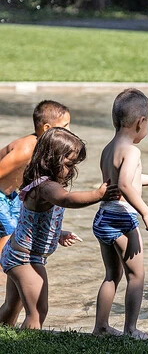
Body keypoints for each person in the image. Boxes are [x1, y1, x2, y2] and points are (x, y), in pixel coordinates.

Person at [0, 127, 118, 329]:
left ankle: (5, 333)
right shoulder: (46, 187)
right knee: (37, 311)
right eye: (69, 164)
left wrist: (58, 234)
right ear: (50, 160)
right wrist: (98, 195)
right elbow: (67, 199)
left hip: (18, 252)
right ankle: (28, 345)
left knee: (12, 305)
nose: (72, 170)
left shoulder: (41, 184)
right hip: (26, 259)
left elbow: (33, 220)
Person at [92, 89, 148, 338]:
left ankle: (100, 327)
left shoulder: (109, 149)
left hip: (104, 216)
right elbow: (126, 186)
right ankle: (130, 329)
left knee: (112, 275)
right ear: (141, 122)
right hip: (122, 218)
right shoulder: (132, 151)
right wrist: (146, 212)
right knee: (137, 276)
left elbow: (127, 179)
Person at [0, 100, 71, 255]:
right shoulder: (26, 149)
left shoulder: (42, 148)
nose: (69, 130)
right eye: (65, 126)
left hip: (11, 196)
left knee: (20, 229)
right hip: (1, 196)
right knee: (10, 235)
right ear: (47, 128)